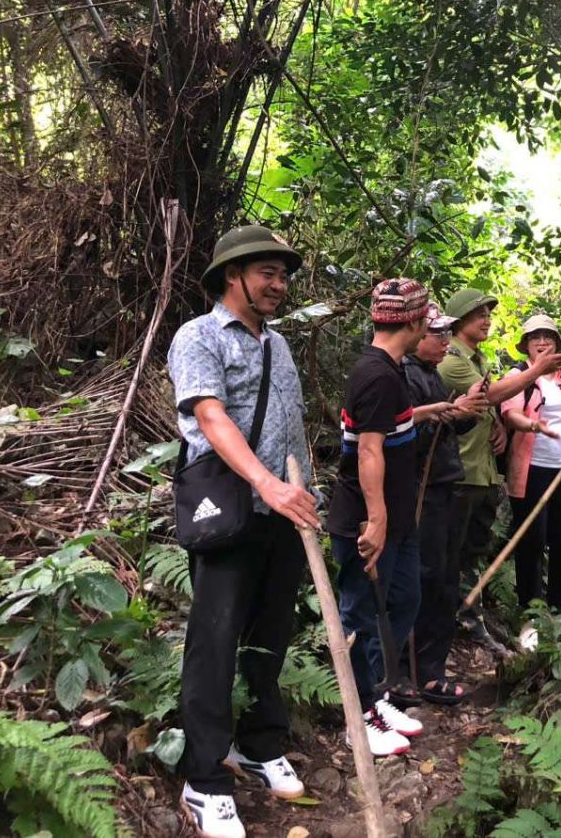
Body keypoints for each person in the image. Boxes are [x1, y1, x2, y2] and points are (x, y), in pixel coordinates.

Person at [168, 225, 319, 838]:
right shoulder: (197, 336)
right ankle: (204, 779)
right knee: (216, 638)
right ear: (233, 276)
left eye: (283, 275)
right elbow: (210, 415)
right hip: (231, 506)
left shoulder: (278, 346)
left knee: (271, 634)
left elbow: (291, 423)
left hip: (281, 512)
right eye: (266, 273)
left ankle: (257, 743)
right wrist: (267, 484)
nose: (278, 285)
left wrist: (300, 490)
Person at [326, 278, 434, 757]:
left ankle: (378, 697)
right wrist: (377, 520)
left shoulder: (394, 371)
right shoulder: (375, 375)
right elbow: (367, 451)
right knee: (361, 615)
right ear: (410, 321)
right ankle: (357, 714)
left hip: (398, 523)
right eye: (425, 315)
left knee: (402, 600)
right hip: (367, 521)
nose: (429, 322)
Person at [437, 288, 561, 647]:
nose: (486, 320)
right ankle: (449, 626)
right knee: (453, 552)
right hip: (459, 472)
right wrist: (538, 369)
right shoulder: (452, 360)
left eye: (488, 314)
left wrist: (495, 422)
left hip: (481, 471)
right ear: (458, 320)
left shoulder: (478, 360)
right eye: (478, 314)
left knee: (472, 550)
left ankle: (469, 619)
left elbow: (487, 402)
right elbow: (491, 395)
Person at [402, 302, 488, 705]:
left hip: (445, 486)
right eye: (437, 334)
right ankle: (414, 673)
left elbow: (448, 426)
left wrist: (464, 410)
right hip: (422, 491)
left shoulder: (430, 375)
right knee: (425, 578)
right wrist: (452, 413)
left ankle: (431, 668)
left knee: (444, 579)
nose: (443, 341)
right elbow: (407, 434)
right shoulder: (404, 375)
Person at [498, 315, 561, 647]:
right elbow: (509, 413)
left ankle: (558, 609)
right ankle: (531, 612)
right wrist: (531, 426)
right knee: (531, 540)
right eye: (535, 337)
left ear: (556, 343)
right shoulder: (518, 376)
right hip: (531, 471)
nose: (542, 342)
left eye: (548, 337)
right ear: (526, 344)